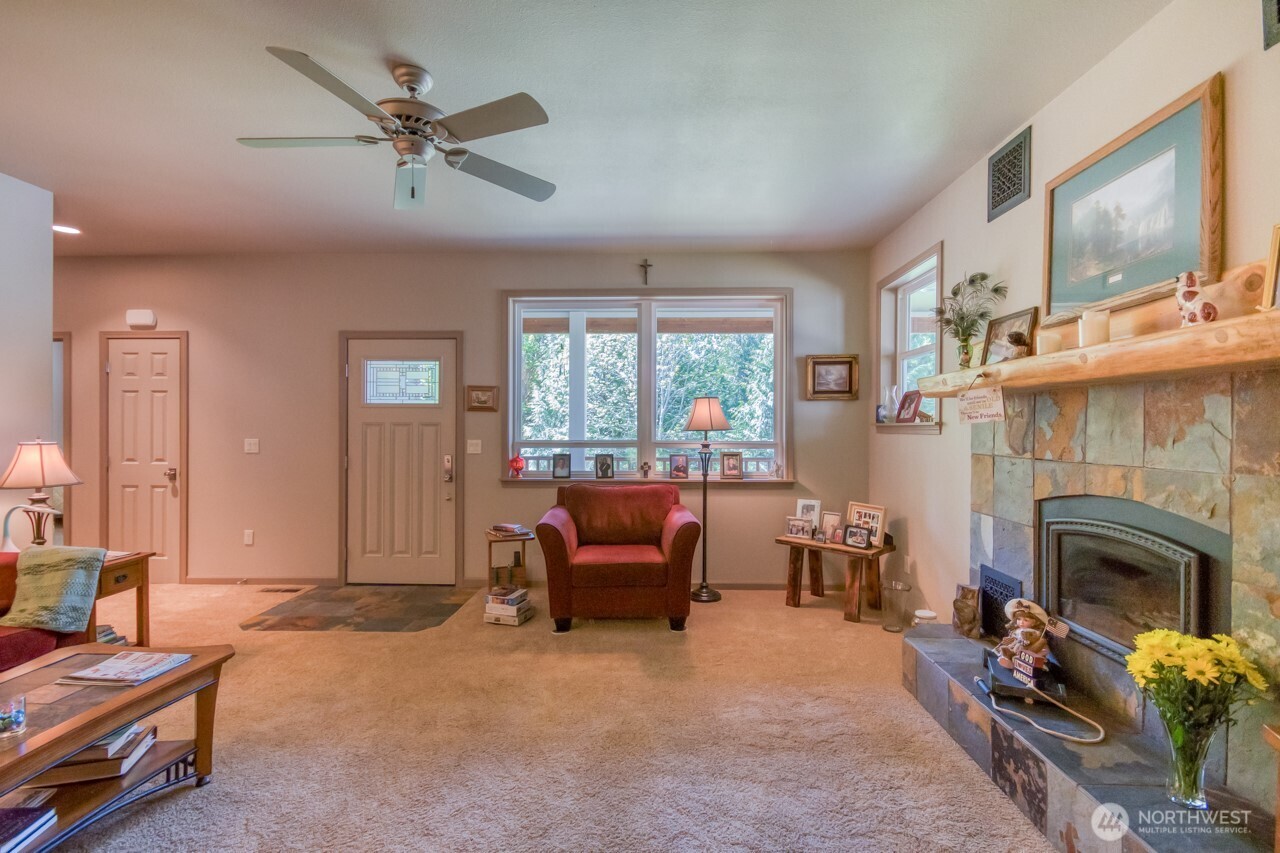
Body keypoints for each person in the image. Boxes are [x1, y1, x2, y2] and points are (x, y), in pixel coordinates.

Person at [994, 598, 1050, 670]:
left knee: (1026, 656)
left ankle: (1019, 663)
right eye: (1018, 619)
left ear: (1035, 622)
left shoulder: (1034, 632)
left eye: (1026, 620)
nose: (1021, 622)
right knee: (1005, 649)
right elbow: (1015, 638)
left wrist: (1027, 638)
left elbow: (1034, 641)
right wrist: (1011, 639)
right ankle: (1010, 660)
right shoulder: (1017, 630)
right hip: (1017, 648)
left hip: (1029, 650)